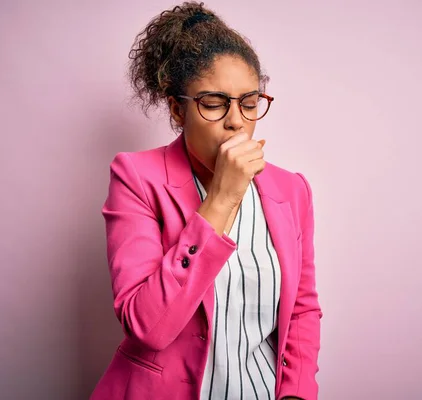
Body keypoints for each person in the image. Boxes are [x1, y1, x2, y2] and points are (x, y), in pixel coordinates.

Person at [90, 2, 322, 399]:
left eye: (249, 103)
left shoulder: (292, 190)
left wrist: (297, 393)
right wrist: (222, 198)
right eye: (214, 103)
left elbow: (301, 310)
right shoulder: (136, 177)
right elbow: (148, 326)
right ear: (178, 110)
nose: (236, 121)